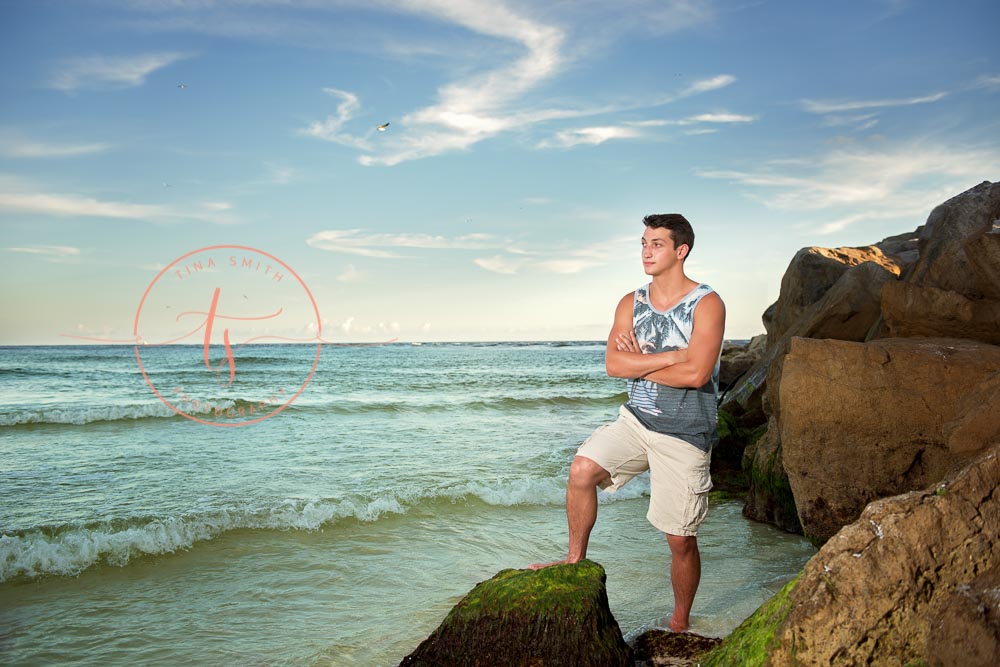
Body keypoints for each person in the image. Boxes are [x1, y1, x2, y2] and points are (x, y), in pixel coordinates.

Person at [530, 213, 725, 634]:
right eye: (643, 243)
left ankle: (679, 623)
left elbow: (697, 375)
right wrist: (673, 355)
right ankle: (574, 560)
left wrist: (641, 365)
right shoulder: (630, 303)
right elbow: (614, 365)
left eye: (656, 244)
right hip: (635, 421)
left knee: (680, 538)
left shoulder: (707, 303)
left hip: (685, 434)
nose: (646, 251)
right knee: (582, 470)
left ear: (680, 250)